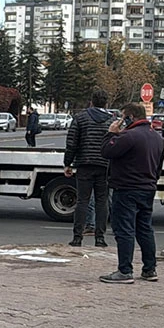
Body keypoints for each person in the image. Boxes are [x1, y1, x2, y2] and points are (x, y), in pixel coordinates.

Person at [98, 103, 164, 284]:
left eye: (123, 116)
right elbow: (158, 166)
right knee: (145, 229)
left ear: (130, 117)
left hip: (126, 188)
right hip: (148, 188)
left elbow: (106, 152)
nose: (120, 120)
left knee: (124, 229)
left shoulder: (129, 136)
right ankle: (150, 269)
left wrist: (111, 133)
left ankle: (125, 270)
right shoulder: (157, 138)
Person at [64, 90, 113, 248]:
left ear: (91, 102)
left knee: (82, 201)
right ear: (106, 103)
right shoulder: (112, 120)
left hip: (84, 164)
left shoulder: (80, 118)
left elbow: (71, 142)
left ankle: (77, 237)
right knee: (102, 201)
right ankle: (100, 238)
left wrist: (68, 163)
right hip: (104, 165)